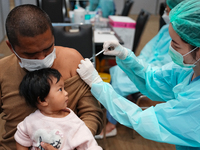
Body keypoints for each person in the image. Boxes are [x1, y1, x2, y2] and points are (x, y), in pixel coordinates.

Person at [77, 0, 200, 149]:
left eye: (175, 44)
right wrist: (126, 57)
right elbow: (154, 78)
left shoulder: (196, 100)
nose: (170, 49)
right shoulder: (189, 69)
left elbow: (143, 120)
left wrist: (98, 85)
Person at [0, 4, 103, 150]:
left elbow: (92, 113)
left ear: (53, 36)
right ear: (11, 47)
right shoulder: (3, 70)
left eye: (48, 48)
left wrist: (72, 143)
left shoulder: (72, 60)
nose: (42, 58)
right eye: (31, 54)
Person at [95, 0, 183, 139]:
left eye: (167, 10)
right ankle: (110, 111)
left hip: (157, 73)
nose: (165, 14)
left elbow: (147, 121)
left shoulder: (186, 80)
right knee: (118, 71)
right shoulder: (166, 29)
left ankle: (111, 124)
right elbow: (149, 50)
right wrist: (133, 61)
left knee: (120, 83)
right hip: (150, 68)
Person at [14, 68, 102, 150]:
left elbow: (90, 146)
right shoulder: (30, 122)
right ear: (43, 100)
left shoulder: (74, 123)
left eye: (64, 88)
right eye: (60, 89)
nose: (66, 93)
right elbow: (21, 140)